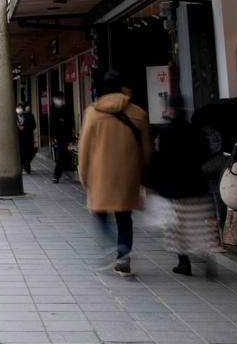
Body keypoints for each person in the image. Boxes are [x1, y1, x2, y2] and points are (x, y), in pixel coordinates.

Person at [78, 71, 153, 277]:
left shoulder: (92, 112)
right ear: (122, 88)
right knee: (124, 217)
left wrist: (83, 174)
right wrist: (142, 172)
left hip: (99, 174)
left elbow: (84, 149)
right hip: (128, 175)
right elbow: (146, 151)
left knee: (100, 214)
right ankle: (123, 255)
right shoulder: (139, 113)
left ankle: (113, 246)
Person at [152, 96, 217, 277]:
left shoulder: (166, 132)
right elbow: (206, 153)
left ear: (172, 110)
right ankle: (207, 255)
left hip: (175, 187)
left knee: (176, 226)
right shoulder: (195, 130)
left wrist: (156, 184)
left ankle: (184, 262)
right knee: (199, 224)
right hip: (196, 184)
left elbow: (160, 160)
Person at [50, 92, 75, 183]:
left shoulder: (68, 108)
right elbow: (52, 125)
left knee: (64, 156)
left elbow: (71, 123)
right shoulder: (53, 110)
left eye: (60, 98)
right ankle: (56, 175)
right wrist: (52, 137)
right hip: (59, 137)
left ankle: (63, 172)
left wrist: (71, 138)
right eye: (56, 99)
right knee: (61, 156)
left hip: (67, 136)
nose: (58, 101)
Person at [17, 101, 37, 175]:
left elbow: (33, 126)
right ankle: (21, 167)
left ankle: (27, 167)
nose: (19, 109)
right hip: (18, 138)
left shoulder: (29, 116)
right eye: (18, 107)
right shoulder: (13, 116)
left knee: (28, 153)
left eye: (21, 107)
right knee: (20, 153)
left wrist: (24, 128)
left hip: (27, 138)